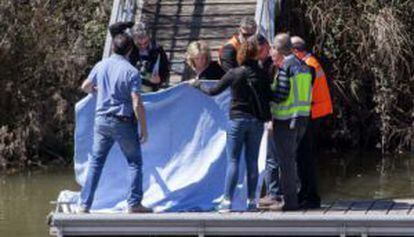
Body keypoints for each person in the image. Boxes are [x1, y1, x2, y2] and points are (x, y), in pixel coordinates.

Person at [190, 39, 273, 212]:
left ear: (241, 54)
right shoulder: (263, 74)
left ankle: (227, 202)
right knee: (252, 161)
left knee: (233, 160)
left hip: (237, 120)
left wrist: (198, 85)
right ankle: (252, 202)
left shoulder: (234, 73)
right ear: (257, 54)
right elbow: (271, 96)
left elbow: (213, 91)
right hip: (256, 122)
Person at [78, 33, 151, 214]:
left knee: (96, 163)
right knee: (134, 162)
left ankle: (84, 205)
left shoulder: (100, 65)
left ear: (112, 48)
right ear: (130, 50)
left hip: (102, 121)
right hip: (123, 121)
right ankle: (134, 204)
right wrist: (144, 127)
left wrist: (97, 91)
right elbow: (136, 102)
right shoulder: (132, 72)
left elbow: (85, 86)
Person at [266, 33, 313, 211]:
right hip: (302, 119)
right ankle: (295, 197)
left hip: (286, 121)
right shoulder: (303, 65)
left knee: (285, 163)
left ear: (278, 49)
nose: (270, 51)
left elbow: (282, 94)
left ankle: (290, 203)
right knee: (291, 161)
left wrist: (268, 94)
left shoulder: (286, 67)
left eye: (272, 48)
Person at [291, 36, 333, 209]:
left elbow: (304, 92)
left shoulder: (308, 65)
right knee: (304, 156)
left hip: (313, 113)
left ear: (295, 52)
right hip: (317, 111)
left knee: (305, 156)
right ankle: (306, 192)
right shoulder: (310, 61)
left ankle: (310, 195)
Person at [109, 21, 170, 92]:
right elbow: (113, 29)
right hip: (129, 88)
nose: (143, 46)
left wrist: (160, 79)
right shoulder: (128, 46)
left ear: (149, 38)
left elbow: (166, 71)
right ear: (133, 40)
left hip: (149, 91)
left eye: (146, 43)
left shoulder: (158, 50)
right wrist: (132, 24)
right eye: (139, 44)